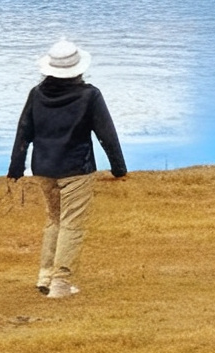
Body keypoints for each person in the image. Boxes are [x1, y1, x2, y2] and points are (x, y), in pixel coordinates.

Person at [7, 37, 127, 298]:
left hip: (43, 168)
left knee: (54, 220)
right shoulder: (90, 95)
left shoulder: (37, 94)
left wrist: (16, 167)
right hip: (76, 169)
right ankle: (60, 283)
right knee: (72, 224)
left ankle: (45, 277)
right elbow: (107, 134)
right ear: (78, 70)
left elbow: (24, 131)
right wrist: (119, 168)